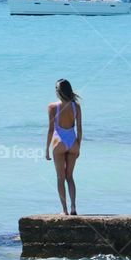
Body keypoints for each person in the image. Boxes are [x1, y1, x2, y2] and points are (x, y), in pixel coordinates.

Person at [45, 78, 82, 215]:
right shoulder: (76, 106)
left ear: (59, 91)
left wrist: (47, 150)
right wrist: (79, 146)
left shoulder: (52, 107)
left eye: (56, 89)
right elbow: (79, 128)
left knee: (60, 178)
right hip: (73, 143)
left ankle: (65, 211)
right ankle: (73, 208)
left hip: (59, 143)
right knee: (70, 177)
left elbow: (50, 130)